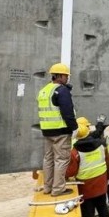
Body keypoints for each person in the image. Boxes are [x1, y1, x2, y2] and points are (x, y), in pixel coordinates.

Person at [65, 126, 109, 217]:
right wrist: (107, 178)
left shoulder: (75, 152)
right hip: (101, 185)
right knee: (103, 210)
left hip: (85, 188)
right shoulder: (101, 146)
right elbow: (107, 162)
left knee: (87, 214)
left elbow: (71, 172)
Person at [36, 62, 77, 196]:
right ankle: (58, 189)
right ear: (58, 76)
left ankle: (47, 187)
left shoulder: (44, 90)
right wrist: (74, 127)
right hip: (61, 131)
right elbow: (67, 111)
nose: (67, 79)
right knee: (61, 159)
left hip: (47, 131)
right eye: (65, 76)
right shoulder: (62, 90)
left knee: (48, 158)